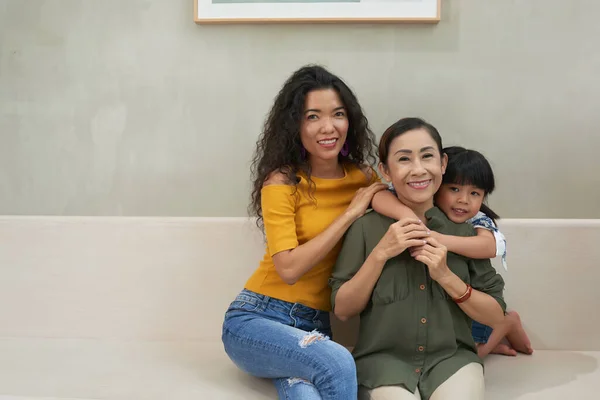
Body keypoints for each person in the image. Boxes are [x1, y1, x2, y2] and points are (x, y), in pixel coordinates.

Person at [221, 64, 387, 400]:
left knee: (305, 395)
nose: (328, 127)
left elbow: (401, 204)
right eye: (313, 116)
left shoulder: (364, 177)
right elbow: (290, 268)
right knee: (339, 362)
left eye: (338, 114)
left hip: (314, 327)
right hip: (257, 319)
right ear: (294, 124)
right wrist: (350, 213)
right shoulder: (282, 182)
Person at [330, 117, 506, 400]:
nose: (418, 169)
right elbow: (343, 310)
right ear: (386, 171)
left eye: (427, 156)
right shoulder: (365, 228)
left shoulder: (466, 233)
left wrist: (446, 277)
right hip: (381, 364)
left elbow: (496, 315)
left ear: (443, 164)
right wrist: (380, 254)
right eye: (404, 159)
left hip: (453, 361)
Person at [373, 146, 533, 357]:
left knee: (469, 355)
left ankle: (507, 323)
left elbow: (490, 246)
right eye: (454, 189)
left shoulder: (476, 219)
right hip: (445, 309)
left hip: (476, 303)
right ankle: (495, 338)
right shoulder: (423, 207)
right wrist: (406, 216)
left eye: (474, 193)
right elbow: (378, 196)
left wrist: (440, 239)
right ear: (437, 185)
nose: (463, 200)